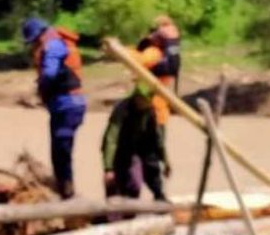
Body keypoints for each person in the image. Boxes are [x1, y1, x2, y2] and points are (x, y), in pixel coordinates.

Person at [21, 17, 87, 199]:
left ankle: (67, 192)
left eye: (34, 41)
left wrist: (41, 87)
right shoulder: (55, 43)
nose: (33, 45)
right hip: (67, 105)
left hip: (67, 104)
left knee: (61, 150)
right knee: (59, 151)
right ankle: (64, 189)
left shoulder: (53, 45)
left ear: (41, 34)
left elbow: (50, 73)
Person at [101, 91, 170, 202]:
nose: (147, 104)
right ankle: (116, 205)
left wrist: (166, 161)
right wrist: (108, 168)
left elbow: (158, 139)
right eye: (143, 100)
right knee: (119, 180)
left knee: (149, 169)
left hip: (141, 145)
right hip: (122, 147)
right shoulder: (122, 110)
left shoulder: (151, 110)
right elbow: (111, 139)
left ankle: (158, 196)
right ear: (137, 97)